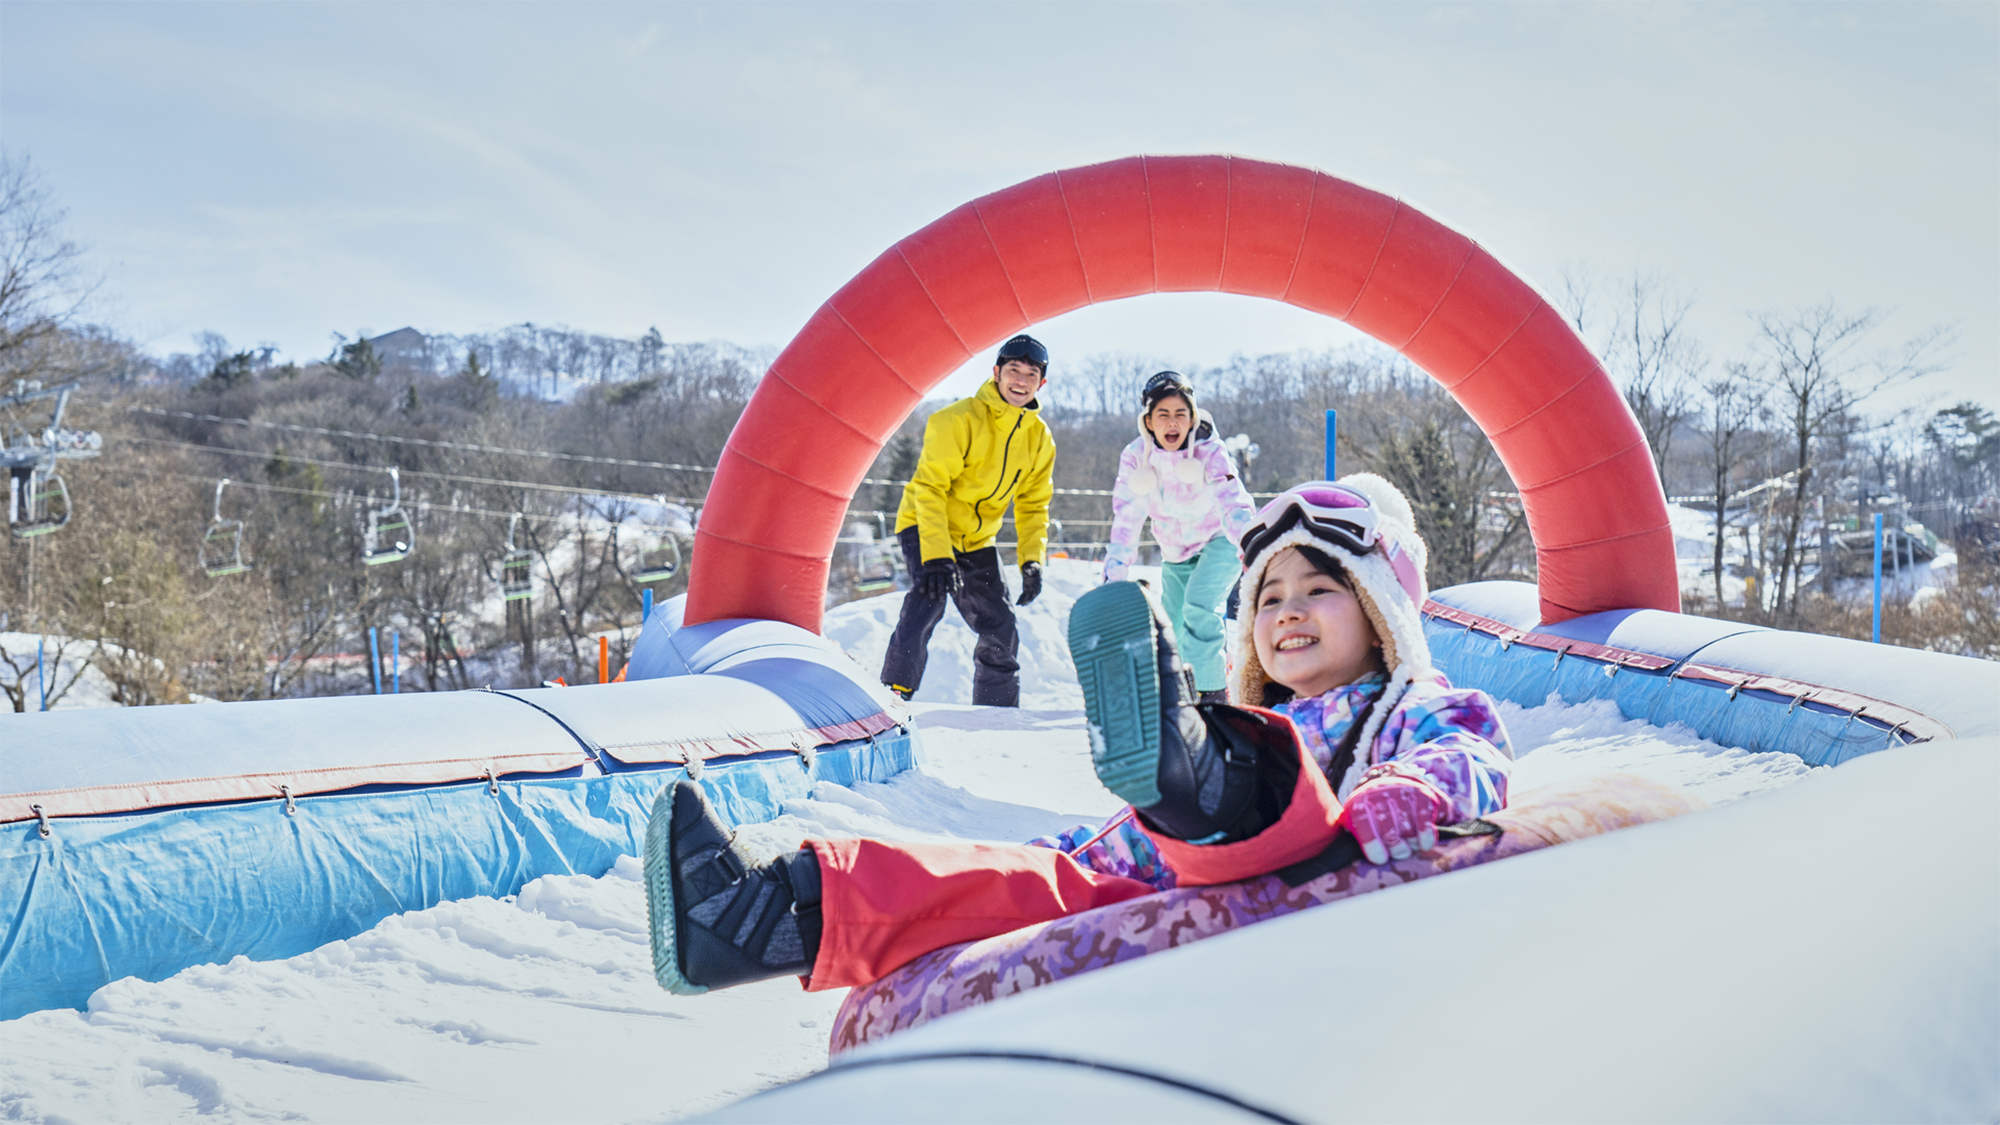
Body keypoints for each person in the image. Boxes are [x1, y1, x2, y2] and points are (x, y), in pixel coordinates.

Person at [646, 474, 1513, 996]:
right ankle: (759, 915)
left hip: (1275, 869)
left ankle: (1198, 776)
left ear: (1381, 612)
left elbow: (1470, 748)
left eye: (1319, 589)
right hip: (1145, 878)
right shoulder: (1274, 712)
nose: (1287, 610)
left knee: (1268, 779)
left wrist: (1418, 788)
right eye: (1269, 596)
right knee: (987, 878)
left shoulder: (1403, 703)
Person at [878, 334, 1056, 708]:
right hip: (926, 522)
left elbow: (1033, 504)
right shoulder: (955, 420)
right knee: (929, 599)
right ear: (996, 373)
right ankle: (893, 696)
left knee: (1000, 623)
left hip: (977, 540)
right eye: (1013, 371)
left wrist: (1031, 559)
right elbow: (930, 489)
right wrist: (937, 557)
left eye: (1030, 374)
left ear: (1041, 383)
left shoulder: (1040, 439)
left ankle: (996, 712)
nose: (1020, 381)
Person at [1102, 371, 1257, 704]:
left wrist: (1249, 541)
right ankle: (1182, 696)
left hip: (1220, 540)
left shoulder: (1209, 450)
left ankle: (1213, 697)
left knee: (1199, 607)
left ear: (1192, 418)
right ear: (1148, 420)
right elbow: (1126, 520)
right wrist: (1114, 575)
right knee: (1173, 621)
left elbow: (1232, 497)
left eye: (1180, 414)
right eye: (1163, 415)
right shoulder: (1136, 458)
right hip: (1175, 550)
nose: (1172, 423)